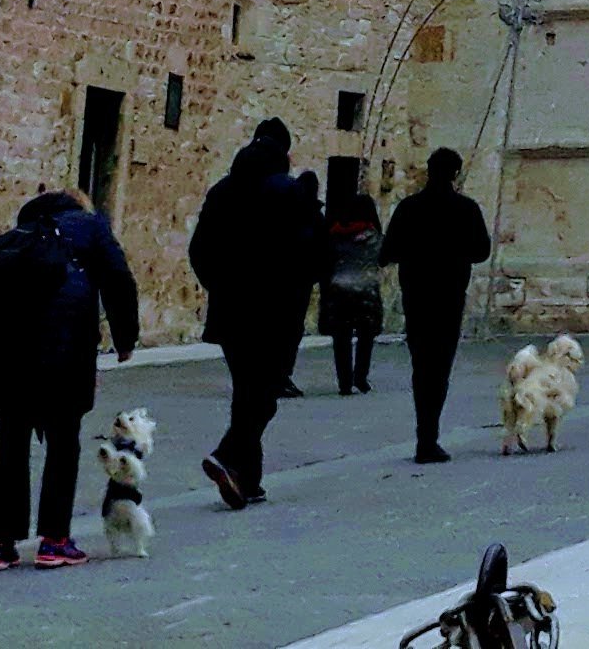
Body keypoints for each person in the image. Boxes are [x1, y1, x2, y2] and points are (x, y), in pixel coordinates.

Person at [0, 184, 139, 569]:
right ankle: (55, 541)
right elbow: (120, 280)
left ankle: (2, 546)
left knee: (11, 441)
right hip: (65, 350)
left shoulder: (16, 239)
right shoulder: (91, 228)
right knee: (63, 439)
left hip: (6, 355)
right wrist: (125, 339)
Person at [186, 118, 327, 511]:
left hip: (231, 312)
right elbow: (315, 250)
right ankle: (228, 454)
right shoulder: (290, 194)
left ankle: (247, 480)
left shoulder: (221, 193)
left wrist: (222, 285)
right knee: (263, 396)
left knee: (247, 392)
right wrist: (299, 285)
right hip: (277, 313)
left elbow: (200, 250)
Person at [379, 147, 492, 463]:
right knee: (440, 368)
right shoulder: (466, 209)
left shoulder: (409, 208)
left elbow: (387, 252)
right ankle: (429, 437)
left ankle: (424, 435)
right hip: (449, 296)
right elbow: (482, 250)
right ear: (455, 173)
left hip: (417, 297)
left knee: (421, 366)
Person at [318, 175, 385, 395]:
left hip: (339, 291)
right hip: (366, 290)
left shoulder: (334, 236)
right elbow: (384, 258)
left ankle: (344, 381)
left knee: (341, 337)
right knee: (366, 336)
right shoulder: (374, 237)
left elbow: (326, 260)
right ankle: (361, 377)